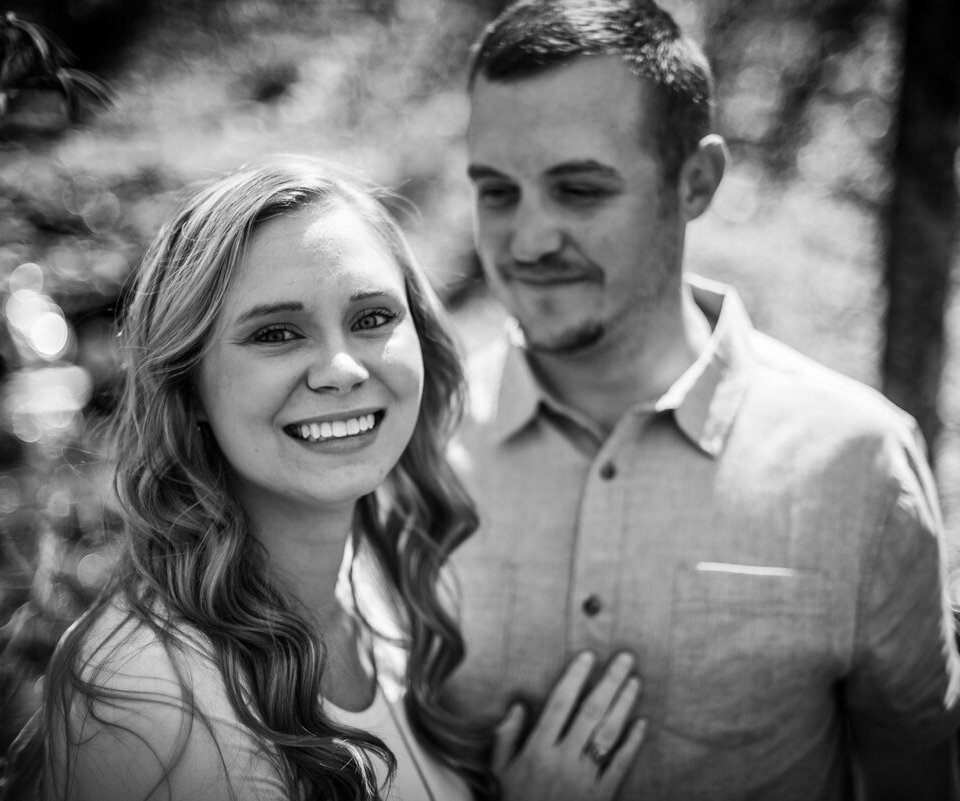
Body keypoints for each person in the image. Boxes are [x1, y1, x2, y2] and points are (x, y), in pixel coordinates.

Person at [444, 2, 960, 799]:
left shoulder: (859, 462)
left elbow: (915, 779)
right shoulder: (414, 443)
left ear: (695, 181)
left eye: (580, 190)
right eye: (497, 192)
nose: (527, 241)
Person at [36, 155, 644, 801]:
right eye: (276, 332)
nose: (342, 368)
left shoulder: (388, 589)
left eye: (373, 318)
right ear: (188, 387)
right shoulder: (145, 698)